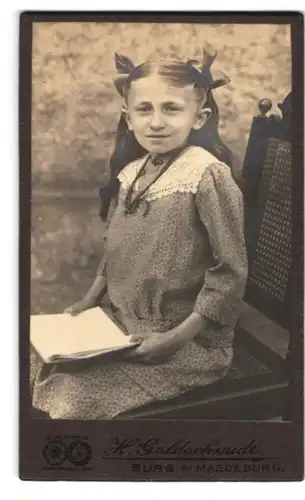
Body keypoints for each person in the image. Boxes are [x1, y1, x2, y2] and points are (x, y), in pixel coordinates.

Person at [31, 47, 248, 419]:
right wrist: (90, 298)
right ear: (128, 117)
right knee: (30, 361)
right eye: (144, 109)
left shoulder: (207, 175)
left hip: (184, 339)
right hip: (120, 319)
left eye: (172, 109)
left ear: (200, 117)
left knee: (71, 396)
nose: (157, 122)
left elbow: (231, 271)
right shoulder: (133, 172)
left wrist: (176, 338)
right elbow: (115, 249)